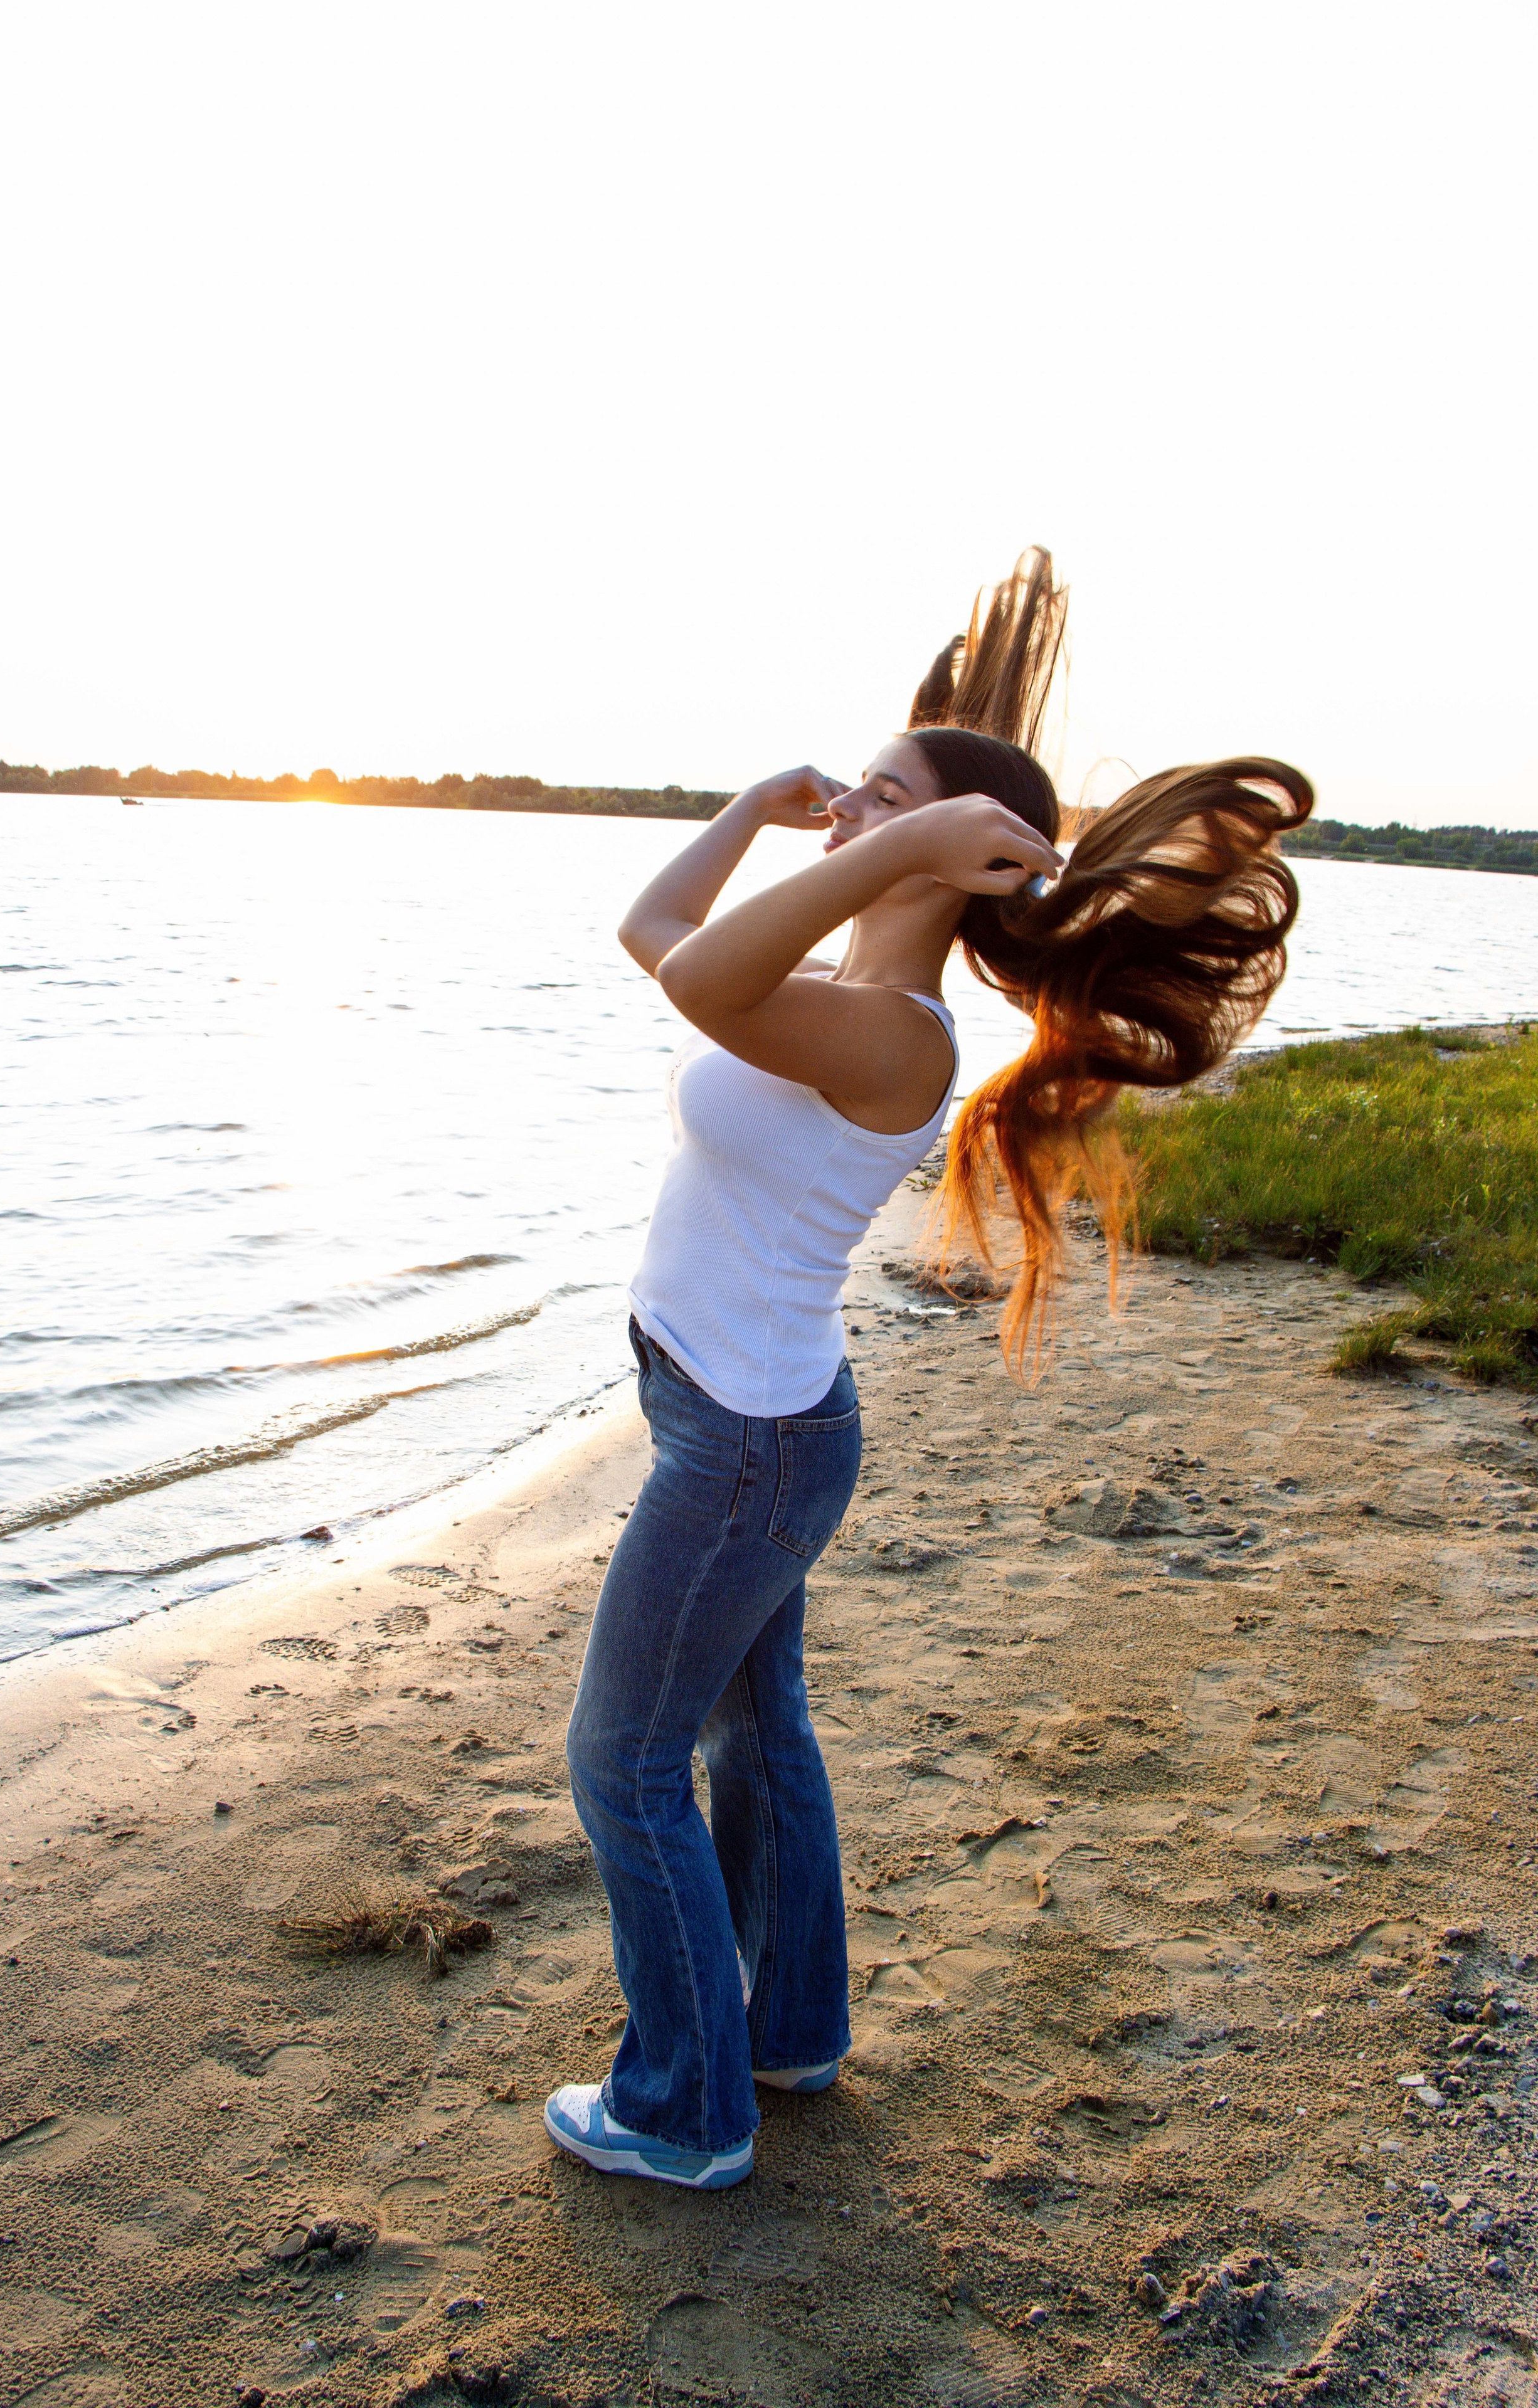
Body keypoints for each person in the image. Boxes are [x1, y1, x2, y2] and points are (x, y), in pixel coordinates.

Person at [544, 550, 1312, 2189]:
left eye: (882, 799)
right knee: (760, 1736)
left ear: (943, 850)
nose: (850, 811)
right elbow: (654, 924)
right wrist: (762, 804)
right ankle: (789, 2036)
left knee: (623, 1763)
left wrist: (890, 841)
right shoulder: (845, 985)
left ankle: (682, 2112)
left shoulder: (896, 1033)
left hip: (743, 1443)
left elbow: (693, 973)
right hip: (749, 1411)